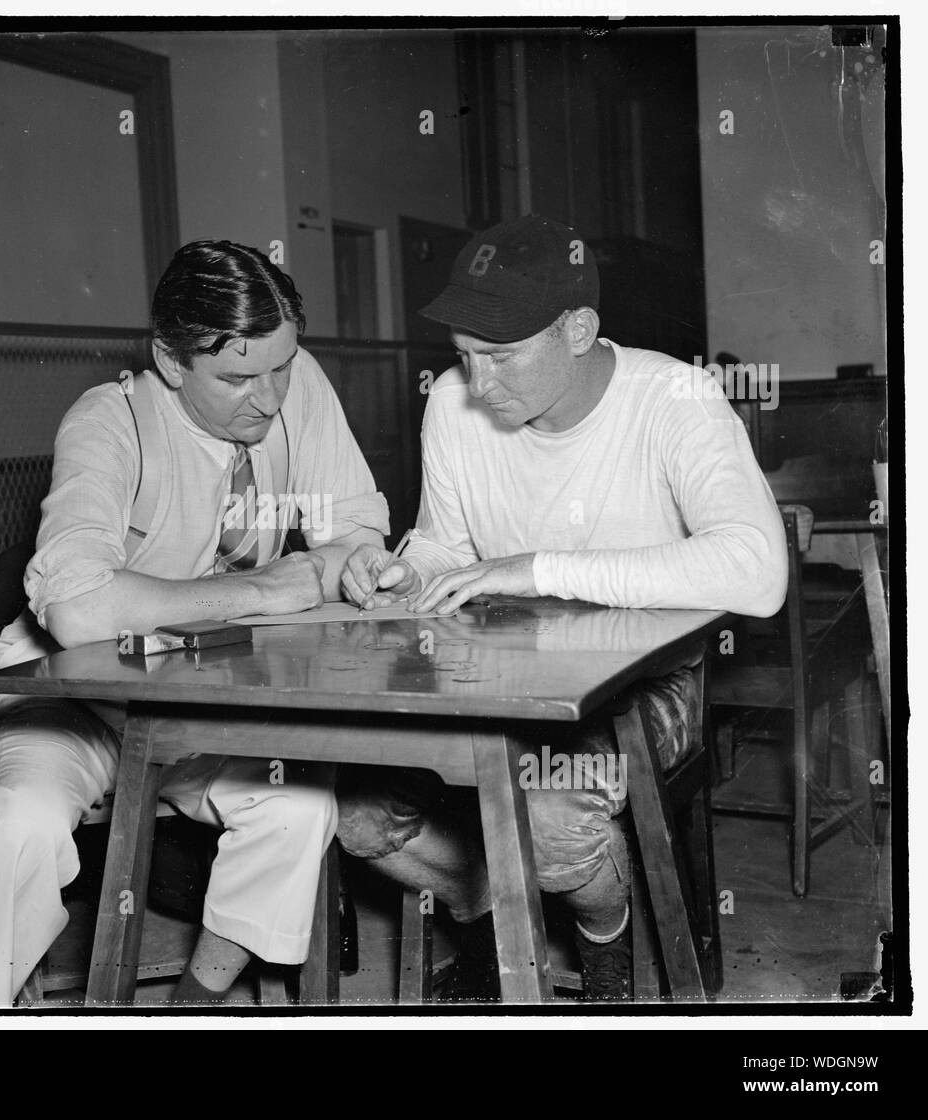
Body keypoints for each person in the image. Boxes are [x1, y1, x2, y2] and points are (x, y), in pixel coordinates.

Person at [337, 214, 788, 1000]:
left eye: (502, 355)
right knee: (356, 814)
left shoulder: (674, 396)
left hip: (645, 682)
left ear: (577, 329)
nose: (479, 385)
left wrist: (537, 568)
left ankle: (600, 937)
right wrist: (406, 573)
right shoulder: (451, 403)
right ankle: (488, 916)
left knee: (545, 814)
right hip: (496, 673)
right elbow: (444, 543)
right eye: (465, 357)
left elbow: (757, 572)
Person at [0, 240, 389, 1006]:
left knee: (298, 807)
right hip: (75, 699)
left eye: (281, 367)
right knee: (19, 830)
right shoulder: (110, 420)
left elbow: (349, 528)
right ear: (171, 361)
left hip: (207, 702)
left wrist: (361, 564)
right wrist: (264, 591)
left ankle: (195, 1003)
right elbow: (75, 607)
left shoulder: (292, 381)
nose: (271, 398)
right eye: (239, 378)